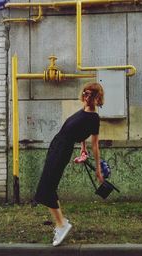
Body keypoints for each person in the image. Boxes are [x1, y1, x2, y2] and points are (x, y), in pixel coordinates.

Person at [35, 82, 104, 246]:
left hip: (62, 150)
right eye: (85, 93)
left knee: (45, 190)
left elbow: (95, 144)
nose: (87, 97)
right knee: (48, 186)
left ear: (97, 97)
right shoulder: (83, 112)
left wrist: (98, 169)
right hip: (57, 146)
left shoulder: (94, 118)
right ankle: (61, 222)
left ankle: (62, 225)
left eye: (91, 95)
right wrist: (82, 149)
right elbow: (81, 135)